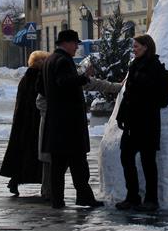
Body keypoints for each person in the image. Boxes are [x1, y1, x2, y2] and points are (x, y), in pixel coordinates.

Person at [41, 29, 103, 209]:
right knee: (78, 163)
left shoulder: (49, 60)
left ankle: (59, 200)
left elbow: (43, 87)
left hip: (57, 123)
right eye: (75, 43)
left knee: (60, 166)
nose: (77, 47)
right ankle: (83, 197)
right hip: (68, 124)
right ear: (66, 43)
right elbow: (64, 82)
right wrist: (84, 77)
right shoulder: (62, 61)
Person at [36, 70, 122, 201]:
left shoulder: (68, 75)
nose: (76, 47)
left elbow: (91, 83)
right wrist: (56, 115)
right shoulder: (54, 77)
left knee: (69, 164)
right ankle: (51, 194)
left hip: (65, 129)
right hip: (57, 128)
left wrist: (115, 87)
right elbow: (41, 102)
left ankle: (71, 196)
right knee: (56, 164)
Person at [115, 34, 166, 212]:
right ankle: (133, 196)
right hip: (131, 121)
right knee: (126, 157)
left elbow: (152, 94)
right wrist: (121, 116)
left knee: (147, 161)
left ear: (146, 47)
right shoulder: (135, 65)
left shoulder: (154, 67)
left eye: (136, 46)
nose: (134, 49)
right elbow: (128, 93)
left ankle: (151, 199)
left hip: (147, 121)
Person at [0, 51, 50, 196]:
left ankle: (15, 181)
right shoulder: (39, 77)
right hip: (35, 122)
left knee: (22, 155)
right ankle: (45, 187)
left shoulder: (25, 78)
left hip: (23, 123)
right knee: (38, 156)